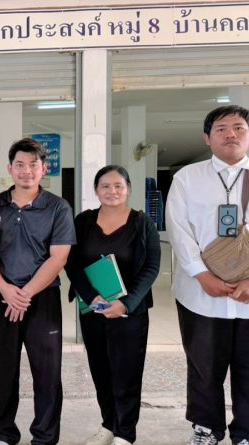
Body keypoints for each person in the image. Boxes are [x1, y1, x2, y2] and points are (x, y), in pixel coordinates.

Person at [167, 105, 249, 445]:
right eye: (221, 129)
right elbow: (178, 230)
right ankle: (207, 428)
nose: (230, 134)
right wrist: (201, 275)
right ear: (207, 137)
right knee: (204, 367)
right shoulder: (187, 178)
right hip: (200, 294)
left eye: (238, 128)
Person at [0, 137, 75, 445]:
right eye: (19, 165)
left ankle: (45, 437)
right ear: (10, 168)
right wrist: (5, 289)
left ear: (44, 168)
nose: (26, 171)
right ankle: (4, 433)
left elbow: (58, 257)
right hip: (2, 296)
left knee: (47, 371)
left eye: (33, 165)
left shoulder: (58, 207)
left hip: (43, 298)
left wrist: (25, 294)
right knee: (2, 369)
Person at [65, 165, 161, 445]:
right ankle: (109, 425)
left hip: (130, 313)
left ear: (128, 188)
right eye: (105, 186)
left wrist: (126, 303)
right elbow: (72, 263)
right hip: (93, 310)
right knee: (101, 370)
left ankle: (124, 434)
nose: (112, 191)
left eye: (118, 185)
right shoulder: (83, 222)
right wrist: (90, 297)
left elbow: (151, 267)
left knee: (127, 373)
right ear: (96, 190)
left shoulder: (142, 223)